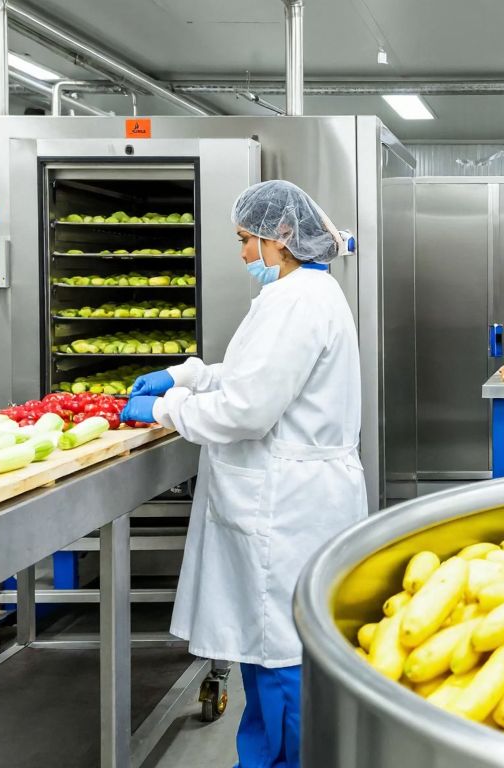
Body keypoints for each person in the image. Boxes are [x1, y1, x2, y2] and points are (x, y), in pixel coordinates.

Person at [120, 179, 365, 768]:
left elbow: (250, 408)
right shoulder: (301, 293)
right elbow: (255, 371)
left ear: (281, 236)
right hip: (288, 493)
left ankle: (286, 762)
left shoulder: (299, 300)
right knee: (270, 648)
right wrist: (189, 376)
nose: (242, 254)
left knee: (279, 647)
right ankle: (265, 756)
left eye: (245, 240)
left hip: (285, 504)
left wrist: (164, 410)